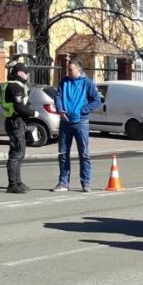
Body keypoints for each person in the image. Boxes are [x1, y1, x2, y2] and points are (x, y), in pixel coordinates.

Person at [53, 59, 102, 192]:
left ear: (79, 70)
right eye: (67, 69)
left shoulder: (87, 83)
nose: (68, 71)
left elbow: (96, 100)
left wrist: (83, 110)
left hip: (81, 123)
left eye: (71, 69)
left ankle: (86, 183)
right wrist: (60, 108)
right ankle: (63, 183)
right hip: (65, 122)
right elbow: (57, 96)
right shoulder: (64, 82)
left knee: (84, 154)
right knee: (63, 153)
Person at [0, 63, 39, 193]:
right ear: (19, 73)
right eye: (25, 72)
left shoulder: (14, 85)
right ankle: (13, 184)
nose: (28, 74)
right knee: (17, 153)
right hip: (15, 121)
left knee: (19, 153)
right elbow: (19, 107)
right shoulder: (15, 86)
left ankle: (18, 182)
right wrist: (34, 113)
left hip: (15, 121)